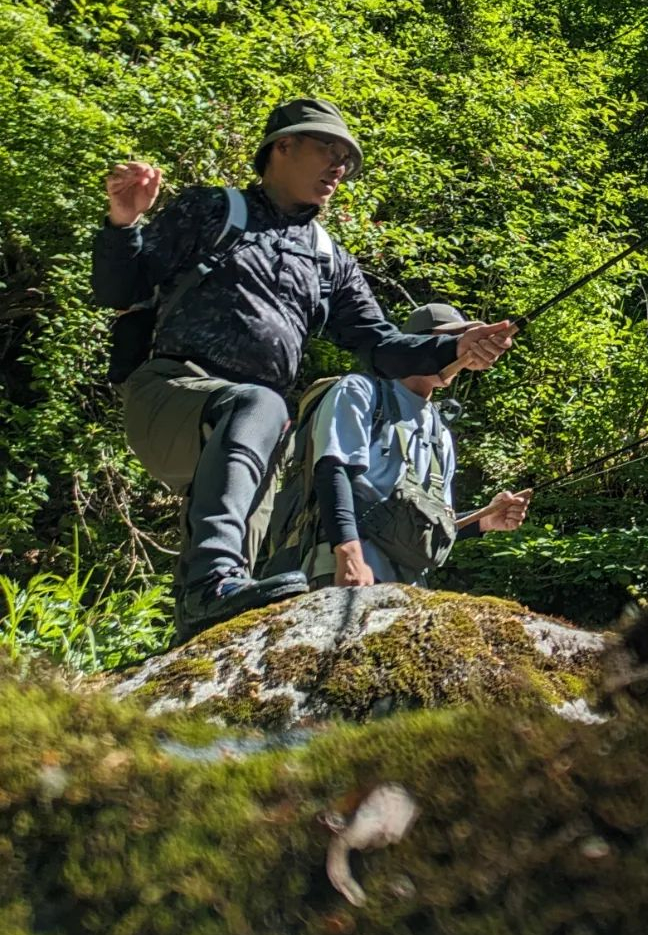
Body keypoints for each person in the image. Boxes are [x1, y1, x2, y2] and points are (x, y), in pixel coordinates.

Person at [93, 98, 515, 640]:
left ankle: (194, 652)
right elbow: (120, 290)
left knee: (236, 597)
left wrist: (454, 351)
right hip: (171, 395)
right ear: (281, 147)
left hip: (257, 433)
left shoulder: (326, 258)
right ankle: (211, 583)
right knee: (260, 407)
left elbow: (380, 344)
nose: (340, 167)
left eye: (347, 159)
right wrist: (123, 223)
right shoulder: (212, 211)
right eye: (327, 150)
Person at [285, 302, 532, 588]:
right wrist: (349, 557)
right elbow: (331, 470)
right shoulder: (361, 391)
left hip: (409, 589)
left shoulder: (441, 432)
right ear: (417, 344)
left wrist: (485, 521)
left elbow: (429, 522)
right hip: (347, 574)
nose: (460, 349)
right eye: (448, 340)